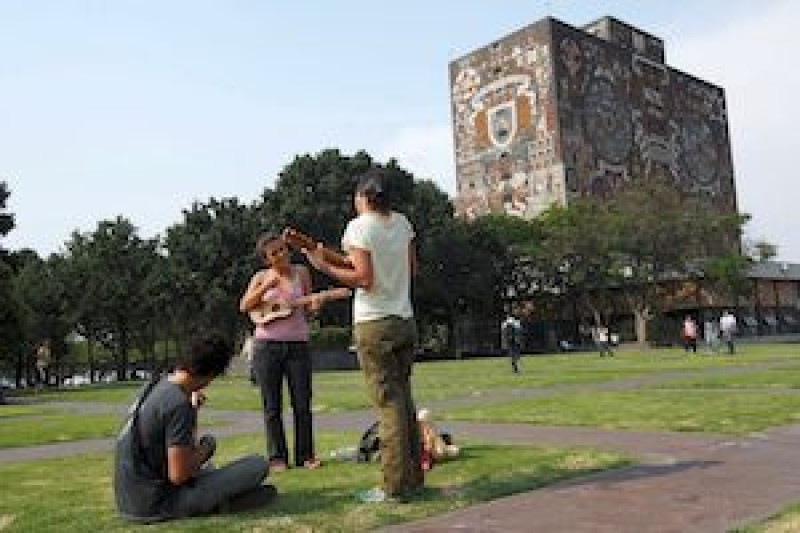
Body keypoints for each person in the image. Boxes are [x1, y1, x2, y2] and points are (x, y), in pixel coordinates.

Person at [302, 167, 423, 503]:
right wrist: (326, 255)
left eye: (356, 195)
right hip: (404, 319)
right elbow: (409, 268)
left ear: (365, 196)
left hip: (374, 322)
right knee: (404, 399)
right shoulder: (401, 223)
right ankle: (414, 477)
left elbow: (363, 278)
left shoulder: (359, 226)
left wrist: (324, 268)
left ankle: (394, 486)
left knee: (388, 405)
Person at [113, 332, 273, 523]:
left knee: (209, 470)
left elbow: (173, 449)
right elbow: (179, 475)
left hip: (132, 499)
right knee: (257, 465)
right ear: (211, 374)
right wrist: (207, 448)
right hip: (160, 503)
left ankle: (224, 500)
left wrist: (193, 411)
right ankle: (220, 503)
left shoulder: (155, 387)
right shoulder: (177, 404)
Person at [239, 232, 322, 471]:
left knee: (302, 402)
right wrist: (267, 285)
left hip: (297, 345)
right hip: (267, 346)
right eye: (274, 253)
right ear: (267, 259)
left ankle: (305, 455)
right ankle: (277, 457)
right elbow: (244, 305)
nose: (281, 255)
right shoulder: (261, 277)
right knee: (272, 406)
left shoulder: (301, 273)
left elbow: (308, 308)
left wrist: (315, 307)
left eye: (283, 250)